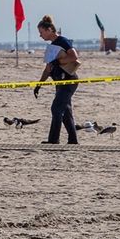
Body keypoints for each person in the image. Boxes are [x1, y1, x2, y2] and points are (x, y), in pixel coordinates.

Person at [33, 15, 79, 145]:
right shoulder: (52, 46)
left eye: (41, 32)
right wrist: (39, 85)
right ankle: (73, 141)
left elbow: (74, 57)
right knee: (66, 111)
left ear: (49, 30)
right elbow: (48, 69)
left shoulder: (62, 41)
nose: (40, 36)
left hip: (69, 81)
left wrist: (59, 62)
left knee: (56, 109)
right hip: (59, 81)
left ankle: (53, 140)